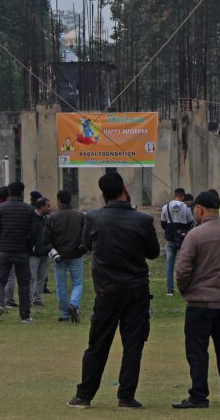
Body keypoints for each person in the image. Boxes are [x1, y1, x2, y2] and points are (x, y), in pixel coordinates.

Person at [67, 172, 159, 410]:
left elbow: (87, 244)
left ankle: (84, 395)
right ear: (124, 190)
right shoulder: (142, 220)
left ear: (103, 195)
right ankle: (126, 397)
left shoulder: (94, 217)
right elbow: (153, 252)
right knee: (133, 344)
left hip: (107, 289)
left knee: (98, 343)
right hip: (136, 289)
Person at [171, 189, 220, 409]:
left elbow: (182, 269)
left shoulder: (195, 235)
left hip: (199, 302)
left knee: (197, 351)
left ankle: (199, 395)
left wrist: (186, 288)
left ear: (200, 210)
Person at [0, 181, 36, 323]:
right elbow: (34, 232)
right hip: (22, 250)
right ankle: (25, 315)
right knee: (24, 283)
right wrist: (28, 247)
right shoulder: (29, 210)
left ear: (9, 192)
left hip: (4, 250)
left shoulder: (1, 209)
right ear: (22, 192)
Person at [45, 189, 86, 322]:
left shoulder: (52, 217)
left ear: (58, 201)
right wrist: (82, 248)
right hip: (76, 254)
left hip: (59, 256)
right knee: (77, 283)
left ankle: (64, 314)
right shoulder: (80, 215)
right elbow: (85, 234)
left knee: (61, 285)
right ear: (70, 200)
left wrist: (54, 252)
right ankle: (73, 304)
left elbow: (47, 239)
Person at [160, 187, 195, 297]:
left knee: (170, 264)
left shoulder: (166, 207)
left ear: (174, 195)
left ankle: (169, 290)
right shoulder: (186, 208)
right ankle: (184, 288)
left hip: (170, 239)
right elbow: (190, 222)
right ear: (183, 196)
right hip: (183, 240)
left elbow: (163, 223)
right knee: (184, 264)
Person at [29, 196, 52, 306]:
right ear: (41, 207)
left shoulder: (47, 219)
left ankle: (37, 299)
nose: (50, 208)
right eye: (48, 206)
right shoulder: (31, 218)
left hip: (45, 252)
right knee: (31, 277)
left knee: (42, 278)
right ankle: (28, 298)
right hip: (33, 253)